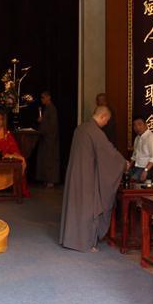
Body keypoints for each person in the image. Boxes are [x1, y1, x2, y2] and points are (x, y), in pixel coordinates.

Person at [59, 106, 126, 252]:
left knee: (76, 207)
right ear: (102, 116)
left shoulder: (81, 129)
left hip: (76, 174)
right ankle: (85, 242)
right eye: (106, 120)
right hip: (87, 176)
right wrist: (123, 163)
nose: (106, 124)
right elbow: (109, 153)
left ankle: (70, 238)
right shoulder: (95, 132)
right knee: (89, 209)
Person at [36, 91, 60, 188]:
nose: (42, 100)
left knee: (51, 159)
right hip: (45, 138)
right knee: (45, 159)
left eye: (43, 97)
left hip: (50, 139)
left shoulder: (52, 109)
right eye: (41, 98)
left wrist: (43, 122)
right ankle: (46, 179)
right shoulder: (47, 109)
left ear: (48, 97)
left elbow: (53, 125)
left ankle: (51, 180)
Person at [127, 116, 153, 182]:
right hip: (138, 166)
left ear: (146, 125)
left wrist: (145, 170)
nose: (137, 127)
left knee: (133, 181)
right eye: (135, 125)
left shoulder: (151, 138)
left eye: (139, 124)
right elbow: (134, 155)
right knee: (125, 177)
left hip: (149, 168)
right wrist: (129, 167)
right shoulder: (137, 138)